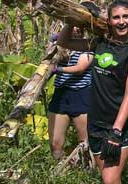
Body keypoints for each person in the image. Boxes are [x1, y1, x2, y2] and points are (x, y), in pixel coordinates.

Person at [57, 0, 128, 184]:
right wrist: (73, 18)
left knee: (109, 180)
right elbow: (63, 41)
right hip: (96, 122)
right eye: (116, 17)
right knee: (109, 178)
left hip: (122, 125)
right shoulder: (99, 44)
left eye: (126, 16)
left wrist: (116, 131)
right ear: (109, 21)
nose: (121, 22)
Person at [48, 31, 93, 161]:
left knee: (85, 143)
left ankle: (87, 174)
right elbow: (48, 58)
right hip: (61, 93)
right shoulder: (61, 44)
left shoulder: (89, 44)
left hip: (81, 94)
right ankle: (59, 172)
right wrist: (53, 43)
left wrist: (58, 70)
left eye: (80, 28)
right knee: (55, 143)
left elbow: (80, 68)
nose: (76, 30)